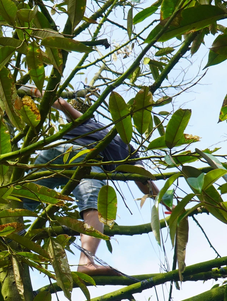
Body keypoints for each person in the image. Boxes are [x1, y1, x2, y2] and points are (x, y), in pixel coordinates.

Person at [23, 89, 160, 276]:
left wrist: (32, 91)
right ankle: (86, 262)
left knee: (24, 197)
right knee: (95, 205)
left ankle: (4, 232)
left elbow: (62, 103)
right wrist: (168, 203)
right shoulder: (129, 149)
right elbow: (145, 182)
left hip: (54, 153)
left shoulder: (91, 123)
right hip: (85, 159)